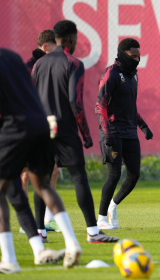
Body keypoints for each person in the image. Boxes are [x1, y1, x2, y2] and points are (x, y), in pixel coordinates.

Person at [32, 20, 118, 244]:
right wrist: (86, 134)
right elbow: (74, 101)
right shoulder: (74, 63)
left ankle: (40, 232)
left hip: (41, 128)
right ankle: (92, 231)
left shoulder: (38, 65)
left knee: (41, 180)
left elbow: (32, 98)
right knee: (79, 177)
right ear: (72, 39)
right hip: (64, 128)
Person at [0, 48, 83, 272]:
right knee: (40, 186)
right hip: (40, 123)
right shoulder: (12, 56)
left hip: (13, 127)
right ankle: (64, 244)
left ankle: (9, 260)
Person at [95, 38, 153, 230]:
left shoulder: (133, 76)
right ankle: (101, 218)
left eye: (138, 56)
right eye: (132, 56)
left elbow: (130, 107)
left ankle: (113, 206)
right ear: (121, 54)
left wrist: (143, 126)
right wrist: (107, 132)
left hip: (129, 132)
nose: (136, 59)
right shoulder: (111, 74)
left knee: (134, 175)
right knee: (114, 174)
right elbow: (100, 106)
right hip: (112, 131)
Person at [19, 29, 61, 235]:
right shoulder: (28, 67)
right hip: (30, 126)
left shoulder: (53, 66)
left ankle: (48, 219)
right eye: (55, 48)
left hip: (48, 126)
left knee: (53, 170)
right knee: (26, 174)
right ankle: (26, 221)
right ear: (45, 47)